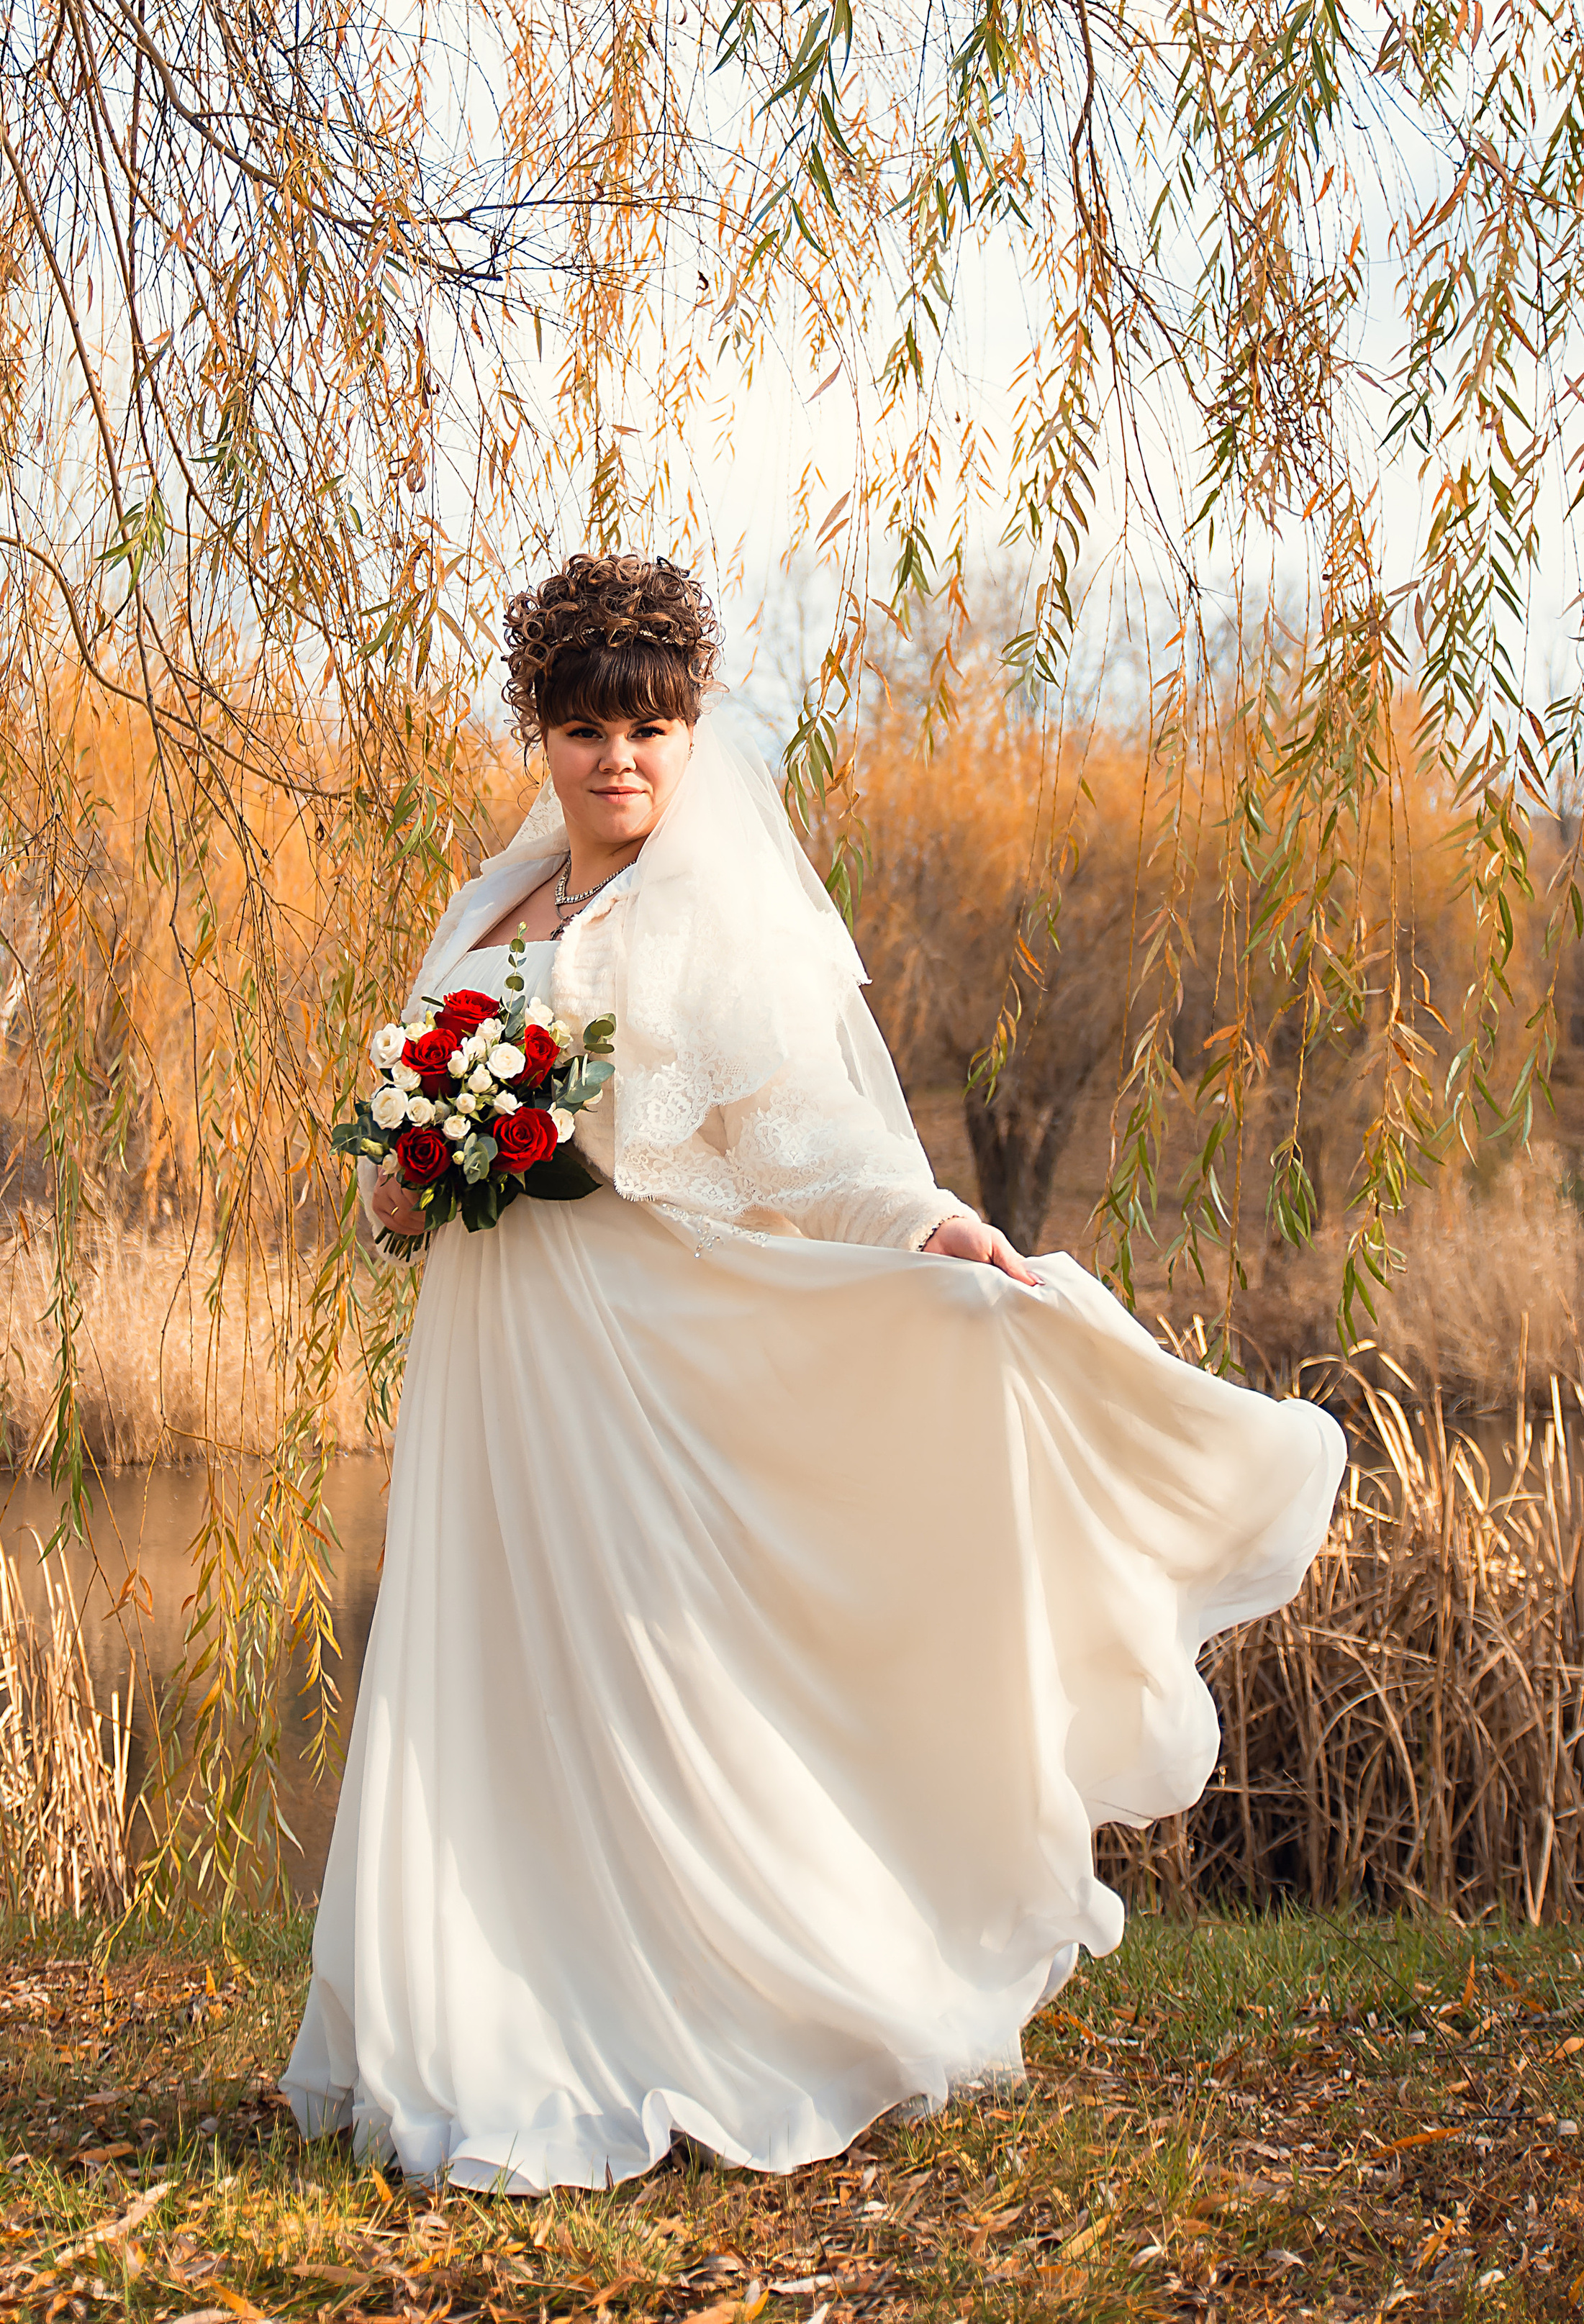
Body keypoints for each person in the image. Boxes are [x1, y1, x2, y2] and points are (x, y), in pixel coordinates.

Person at [281, 551, 1345, 2194]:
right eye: (580, 728)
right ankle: (473, 2017)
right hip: (493, 1353)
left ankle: (724, 2001)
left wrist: (927, 1230)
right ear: (539, 739)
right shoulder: (487, 913)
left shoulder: (710, 918)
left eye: (645, 728)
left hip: (643, 1356)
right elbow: (388, 1195)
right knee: (489, 1666)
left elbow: (807, 1147)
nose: (614, 760)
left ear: (690, 735)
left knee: (654, 1683)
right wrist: (422, 1162)